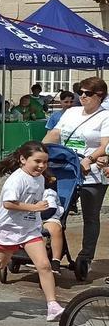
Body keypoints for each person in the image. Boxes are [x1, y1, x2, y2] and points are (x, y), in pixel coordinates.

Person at [0, 142, 64, 321]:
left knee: (44, 265)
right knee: (0, 264)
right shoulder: (16, 179)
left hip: (30, 230)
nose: (41, 166)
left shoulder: (39, 178)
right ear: (23, 159)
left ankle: (52, 305)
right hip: (9, 229)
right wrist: (34, 208)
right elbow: (8, 203)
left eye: (45, 162)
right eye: (37, 161)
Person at [43, 76, 109, 274]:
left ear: (100, 96)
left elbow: (105, 145)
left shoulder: (105, 116)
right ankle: (51, 248)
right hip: (65, 169)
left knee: (90, 216)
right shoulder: (71, 112)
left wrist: (88, 159)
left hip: (92, 172)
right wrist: (39, 149)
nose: (82, 96)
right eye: (80, 92)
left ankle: (86, 256)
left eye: (87, 93)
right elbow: (55, 134)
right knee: (55, 209)